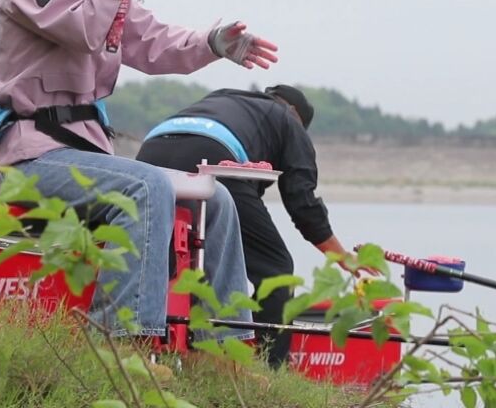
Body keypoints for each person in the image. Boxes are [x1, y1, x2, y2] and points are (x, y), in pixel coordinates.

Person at [0, 0, 278, 343]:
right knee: (146, 187)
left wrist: (213, 42)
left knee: (218, 199)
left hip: (87, 155)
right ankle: (124, 344)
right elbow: (82, 27)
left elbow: (154, 42)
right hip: (31, 160)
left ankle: (224, 349)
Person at [136, 85, 365, 367]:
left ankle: (152, 348)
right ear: (297, 116)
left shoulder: (227, 98)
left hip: (150, 150)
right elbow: (301, 199)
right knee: (275, 269)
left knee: (176, 260)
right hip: (211, 155)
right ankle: (267, 369)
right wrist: (340, 255)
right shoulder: (288, 119)